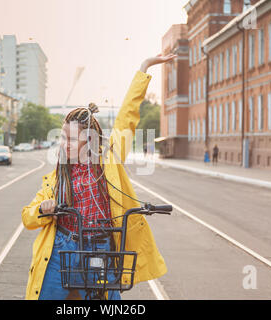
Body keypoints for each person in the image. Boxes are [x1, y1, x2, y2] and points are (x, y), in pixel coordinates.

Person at [21, 53, 175, 300]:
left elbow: (127, 117)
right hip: (63, 248)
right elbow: (28, 217)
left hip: (101, 249)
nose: (63, 144)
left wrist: (144, 68)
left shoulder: (108, 162)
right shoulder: (57, 178)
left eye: (70, 139)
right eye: (62, 137)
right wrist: (43, 207)